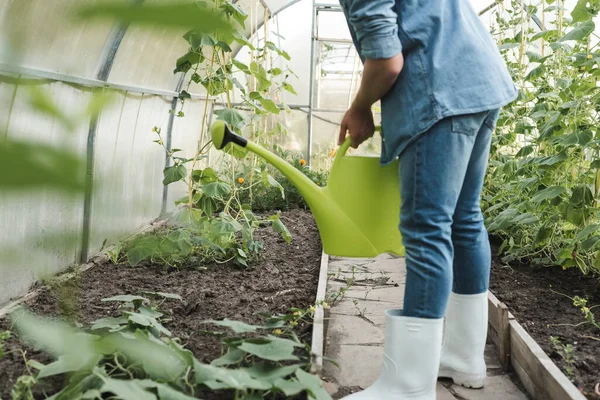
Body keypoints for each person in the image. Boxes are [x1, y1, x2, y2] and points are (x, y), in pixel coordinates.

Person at [336, 0, 517, 398]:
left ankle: (408, 384)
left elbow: (387, 60)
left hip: (439, 89)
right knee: (463, 218)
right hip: (478, 79)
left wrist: (361, 107)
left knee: (426, 227)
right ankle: (463, 357)